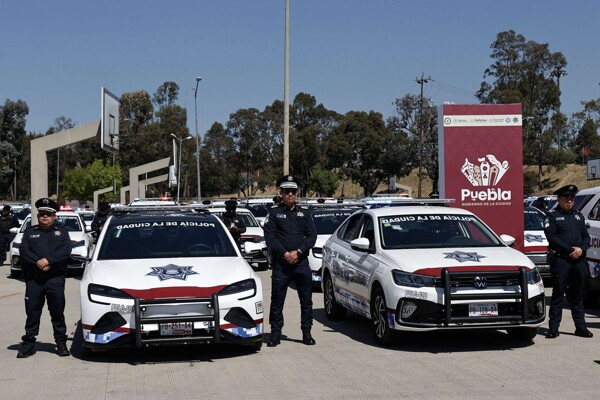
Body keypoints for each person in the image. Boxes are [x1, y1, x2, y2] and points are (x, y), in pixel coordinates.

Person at [264, 175, 317, 347]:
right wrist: (286, 253)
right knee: (277, 299)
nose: (290, 194)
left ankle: (307, 332)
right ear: (281, 193)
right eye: (287, 191)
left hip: (301, 263)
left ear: (296, 193)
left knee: (306, 300)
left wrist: (299, 252)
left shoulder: (305, 213)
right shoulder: (274, 213)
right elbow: (270, 237)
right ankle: (275, 333)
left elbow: (311, 236)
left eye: (293, 191)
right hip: (282, 264)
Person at [17, 198, 73, 358]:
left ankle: (61, 342)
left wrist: (48, 260)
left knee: (57, 312)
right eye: (42, 213)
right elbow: (24, 250)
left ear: (54, 216)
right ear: (38, 215)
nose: (45, 216)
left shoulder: (62, 232)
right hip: (35, 280)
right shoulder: (30, 232)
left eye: (48, 214)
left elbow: (66, 249)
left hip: (54, 279)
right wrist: (38, 262)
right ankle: (28, 343)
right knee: (32, 312)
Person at [544, 184, 593, 339]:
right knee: (558, 295)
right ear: (559, 200)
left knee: (577, 296)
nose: (569, 202)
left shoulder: (578, 216)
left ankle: (581, 327)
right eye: (566, 199)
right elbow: (552, 238)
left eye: (571, 199)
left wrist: (582, 249)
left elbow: (586, 236)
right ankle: (553, 328)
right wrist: (570, 250)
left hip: (578, 262)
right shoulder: (552, 216)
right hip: (561, 261)